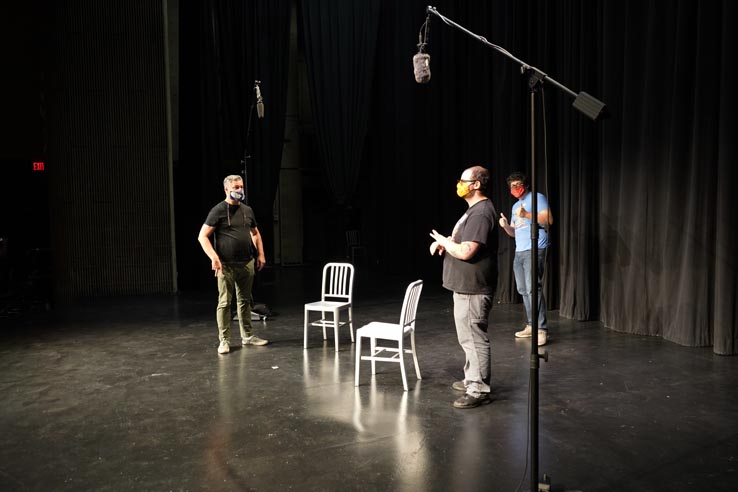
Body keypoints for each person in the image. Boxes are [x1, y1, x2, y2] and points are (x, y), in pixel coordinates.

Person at [429, 165, 499, 409]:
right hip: (466, 286)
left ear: (476, 184)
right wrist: (446, 243)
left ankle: (478, 389)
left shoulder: (480, 213)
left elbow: (467, 251)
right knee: (467, 337)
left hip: (473, 288)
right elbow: (462, 244)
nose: (459, 184)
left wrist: (445, 243)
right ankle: (472, 378)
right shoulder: (474, 211)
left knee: (473, 337)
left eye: (463, 180)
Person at [198, 175, 268, 354]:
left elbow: (256, 233)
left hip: (246, 264)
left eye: (241, 186)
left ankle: (248, 336)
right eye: (236, 187)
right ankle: (224, 340)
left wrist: (260, 254)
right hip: (226, 266)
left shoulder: (247, 210)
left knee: (244, 301)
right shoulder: (218, 210)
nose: (240, 190)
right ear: (226, 189)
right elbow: (202, 236)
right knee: (225, 303)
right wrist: (213, 257)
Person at [498, 172, 553, 346]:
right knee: (523, 290)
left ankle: (541, 329)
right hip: (520, 251)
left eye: (518, 185)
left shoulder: (537, 198)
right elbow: (514, 232)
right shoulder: (515, 206)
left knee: (533, 289)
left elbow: (549, 220)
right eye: (512, 186)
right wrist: (505, 225)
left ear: (525, 185)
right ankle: (531, 325)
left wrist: (528, 215)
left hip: (535, 248)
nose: (515, 188)